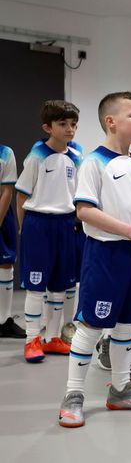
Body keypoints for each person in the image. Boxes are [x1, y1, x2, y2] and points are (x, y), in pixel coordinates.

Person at [58, 91, 131, 427]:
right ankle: (73, 394)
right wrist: (130, 231)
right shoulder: (95, 162)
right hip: (106, 255)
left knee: (126, 324)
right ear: (111, 121)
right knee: (92, 325)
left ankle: (120, 389)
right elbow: (85, 211)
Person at [16, 100, 82, 362]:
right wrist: (25, 230)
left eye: (74, 124)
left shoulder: (76, 156)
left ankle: (53, 337)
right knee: (35, 287)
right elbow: (21, 197)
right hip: (38, 224)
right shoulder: (37, 157)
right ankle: (32, 338)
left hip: (66, 225)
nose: (70, 129)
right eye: (63, 124)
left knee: (60, 287)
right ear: (48, 127)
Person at [0, 143, 21, 338]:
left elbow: (7, 190)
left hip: (2, 214)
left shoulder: (6, 152)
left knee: (5, 264)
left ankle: (3, 320)